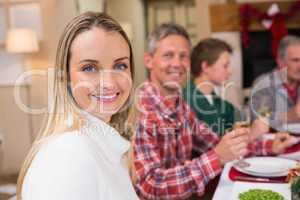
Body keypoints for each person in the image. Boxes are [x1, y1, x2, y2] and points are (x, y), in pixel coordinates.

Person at [133, 23, 295, 200]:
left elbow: (213, 142)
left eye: (183, 56)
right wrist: (216, 157)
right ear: (148, 60)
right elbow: (150, 187)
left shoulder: (180, 105)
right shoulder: (142, 111)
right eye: (168, 55)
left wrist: (270, 146)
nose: (177, 63)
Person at [17, 12, 138, 200]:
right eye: (89, 68)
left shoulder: (106, 145)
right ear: (65, 77)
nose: (110, 83)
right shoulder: (69, 153)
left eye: (120, 66)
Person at [183, 38, 237, 136]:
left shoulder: (222, 104)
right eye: (225, 66)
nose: (230, 71)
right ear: (205, 67)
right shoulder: (186, 102)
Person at [251, 35, 300, 132]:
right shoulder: (263, 85)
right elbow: (260, 117)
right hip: (273, 143)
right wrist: (288, 116)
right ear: (280, 62)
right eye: (295, 60)